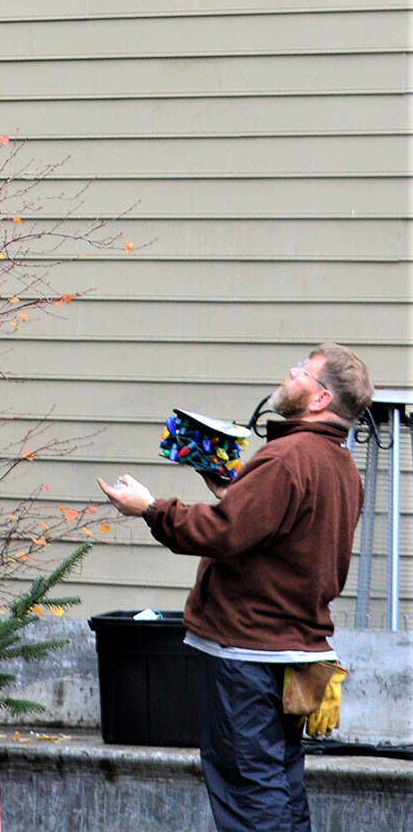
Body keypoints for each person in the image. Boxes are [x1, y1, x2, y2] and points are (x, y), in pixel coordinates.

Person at [98, 342, 372, 832]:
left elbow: (221, 533)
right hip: (293, 654)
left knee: (250, 793)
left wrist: (149, 508)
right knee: (281, 789)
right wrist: (237, 495)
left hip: (248, 656)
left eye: (302, 373)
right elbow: (280, 533)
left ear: (321, 399)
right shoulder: (340, 467)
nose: (290, 375)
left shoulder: (288, 457)